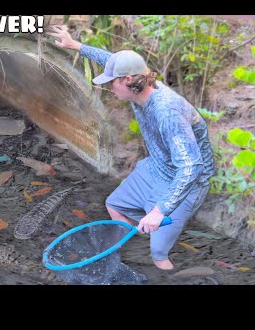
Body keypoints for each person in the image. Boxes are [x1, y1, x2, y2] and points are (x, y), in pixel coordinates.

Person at [47, 25, 215, 270]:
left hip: (186, 183)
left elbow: (191, 167)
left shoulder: (166, 111)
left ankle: (163, 261)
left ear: (127, 80)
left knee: (159, 256)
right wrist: (76, 46)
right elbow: (109, 60)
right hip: (156, 167)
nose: (108, 87)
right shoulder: (136, 84)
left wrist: (160, 211)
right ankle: (128, 242)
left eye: (111, 82)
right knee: (113, 205)